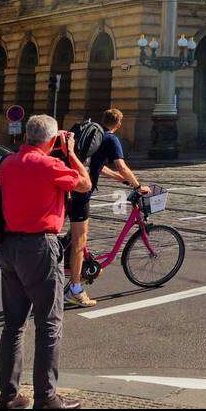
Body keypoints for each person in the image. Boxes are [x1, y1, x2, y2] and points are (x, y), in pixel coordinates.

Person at [0, 114, 91, 410]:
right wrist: (72, 152)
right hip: (40, 246)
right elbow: (85, 184)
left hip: (9, 246)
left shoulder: (8, 163)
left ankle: (9, 397)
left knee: (13, 326)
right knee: (49, 324)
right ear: (52, 140)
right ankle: (46, 397)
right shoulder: (50, 165)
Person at [65, 109, 148, 309]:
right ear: (118, 124)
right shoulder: (111, 139)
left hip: (71, 189)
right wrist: (138, 186)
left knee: (76, 235)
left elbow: (98, 165)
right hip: (81, 193)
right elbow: (122, 165)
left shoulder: (96, 135)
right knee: (79, 240)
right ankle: (75, 289)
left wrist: (118, 179)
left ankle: (69, 267)